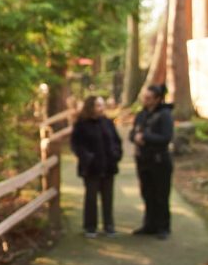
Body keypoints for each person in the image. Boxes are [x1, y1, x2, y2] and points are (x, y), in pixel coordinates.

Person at [70, 95, 122, 238]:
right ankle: (90, 226)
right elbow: (76, 144)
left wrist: (116, 154)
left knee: (108, 198)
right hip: (91, 168)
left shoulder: (107, 122)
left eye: (102, 105)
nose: (101, 108)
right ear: (91, 107)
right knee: (91, 198)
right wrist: (87, 158)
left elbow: (116, 141)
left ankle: (109, 226)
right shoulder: (81, 124)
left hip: (108, 167)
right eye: (98, 105)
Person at [131, 83, 174, 239]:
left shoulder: (165, 115)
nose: (145, 100)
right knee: (147, 193)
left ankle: (163, 226)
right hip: (144, 160)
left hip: (160, 161)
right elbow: (133, 133)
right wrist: (135, 138)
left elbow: (166, 137)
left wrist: (145, 137)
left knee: (161, 194)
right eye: (145, 97)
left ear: (157, 99)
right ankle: (149, 224)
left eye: (149, 98)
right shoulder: (141, 115)